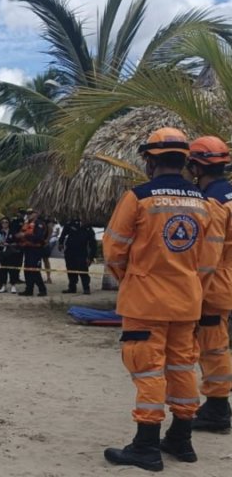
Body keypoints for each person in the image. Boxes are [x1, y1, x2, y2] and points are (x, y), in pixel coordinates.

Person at [103, 128, 220, 471]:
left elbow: (114, 249)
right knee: (183, 366)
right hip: (187, 302)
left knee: (149, 370)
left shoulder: (138, 197)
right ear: (185, 160)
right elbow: (208, 258)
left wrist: (133, 281)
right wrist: (192, 285)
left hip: (145, 303)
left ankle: (146, 446)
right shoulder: (204, 202)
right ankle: (181, 440)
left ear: (150, 160)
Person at [186, 136, 232, 432]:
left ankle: (217, 408)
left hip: (215, 283)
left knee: (213, 346)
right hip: (228, 279)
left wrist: (193, 290)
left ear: (195, 167)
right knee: (219, 342)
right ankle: (217, 404)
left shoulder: (213, 203)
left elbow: (208, 255)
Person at [59, 219, 96, 294]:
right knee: (70, 269)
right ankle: (72, 288)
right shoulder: (72, 223)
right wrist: (60, 242)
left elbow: (93, 246)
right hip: (70, 251)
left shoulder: (89, 230)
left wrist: (90, 258)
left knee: (83, 271)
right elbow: (63, 233)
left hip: (81, 253)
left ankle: (86, 288)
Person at [16, 208, 48, 297]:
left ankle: (42, 289)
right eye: (28, 213)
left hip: (36, 250)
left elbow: (39, 237)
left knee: (35, 270)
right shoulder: (27, 223)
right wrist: (19, 236)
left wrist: (25, 235)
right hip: (27, 249)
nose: (29, 215)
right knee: (27, 270)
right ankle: (29, 289)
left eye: (31, 213)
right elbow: (21, 234)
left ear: (36, 214)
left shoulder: (39, 224)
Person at [4, 207, 27, 290]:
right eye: (21, 213)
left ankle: (16, 277)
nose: (22, 214)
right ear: (18, 213)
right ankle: (13, 278)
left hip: (22, 244)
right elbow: (12, 232)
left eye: (23, 213)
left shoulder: (25, 222)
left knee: (19, 262)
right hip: (14, 243)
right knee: (13, 262)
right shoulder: (15, 221)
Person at [0, 217, 15, 293]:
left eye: (6, 222)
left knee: (11, 270)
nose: (4, 224)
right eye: (3, 222)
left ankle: (13, 285)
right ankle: (4, 286)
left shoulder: (12, 232)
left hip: (10, 252)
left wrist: (8, 244)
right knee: (3, 270)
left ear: (9, 223)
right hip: (2, 253)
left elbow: (16, 243)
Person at [41, 217, 60, 284]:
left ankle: (48, 277)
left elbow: (50, 229)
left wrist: (47, 240)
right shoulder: (40, 219)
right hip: (39, 242)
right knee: (42, 261)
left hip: (44, 243)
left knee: (46, 261)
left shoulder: (47, 221)